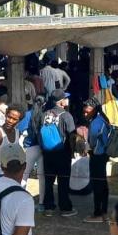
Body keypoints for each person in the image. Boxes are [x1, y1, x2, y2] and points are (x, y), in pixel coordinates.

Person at [39, 89, 78, 217]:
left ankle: (48, 207)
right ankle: (65, 207)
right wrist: (73, 152)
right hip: (63, 152)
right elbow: (72, 136)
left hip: (47, 153)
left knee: (49, 181)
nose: (67, 99)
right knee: (63, 181)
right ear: (61, 102)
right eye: (65, 98)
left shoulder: (44, 114)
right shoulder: (66, 115)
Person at [83, 96, 112, 223]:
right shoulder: (102, 119)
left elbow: (93, 139)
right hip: (103, 155)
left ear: (94, 109)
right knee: (103, 184)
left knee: (97, 185)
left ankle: (97, 213)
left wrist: (87, 145)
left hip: (97, 155)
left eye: (87, 111)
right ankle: (104, 211)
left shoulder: (96, 122)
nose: (85, 113)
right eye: (84, 111)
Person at [0, 103, 25, 183]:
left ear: (19, 121)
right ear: (6, 115)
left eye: (14, 119)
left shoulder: (17, 133)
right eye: (9, 117)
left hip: (12, 175)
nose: (10, 121)